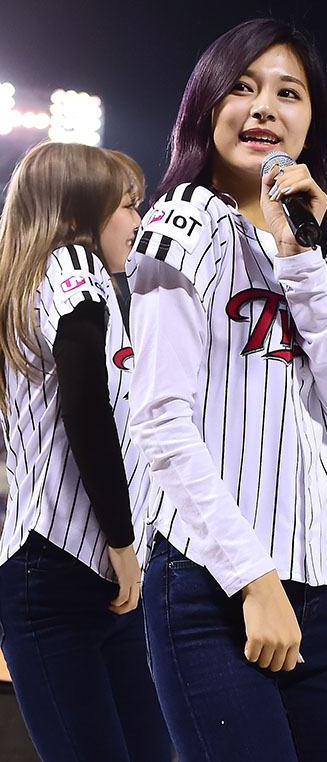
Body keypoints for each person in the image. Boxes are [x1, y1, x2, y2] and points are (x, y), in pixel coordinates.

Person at [127, 18, 327, 762]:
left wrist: (301, 255)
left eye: (288, 93)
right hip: (216, 587)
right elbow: (160, 421)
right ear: (207, 106)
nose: (264, 108)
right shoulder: (182, 224)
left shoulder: (319, 249)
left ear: (311, 123)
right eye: (242, 87)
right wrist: (254, 581)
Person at [0, 141, 172, 762]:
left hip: (83, 574)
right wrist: (124, 542)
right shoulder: (73, 264)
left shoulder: (35, 280)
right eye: (126, 205)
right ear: (76, 214)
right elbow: (85, 406)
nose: (138, 220)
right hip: (62, 571)